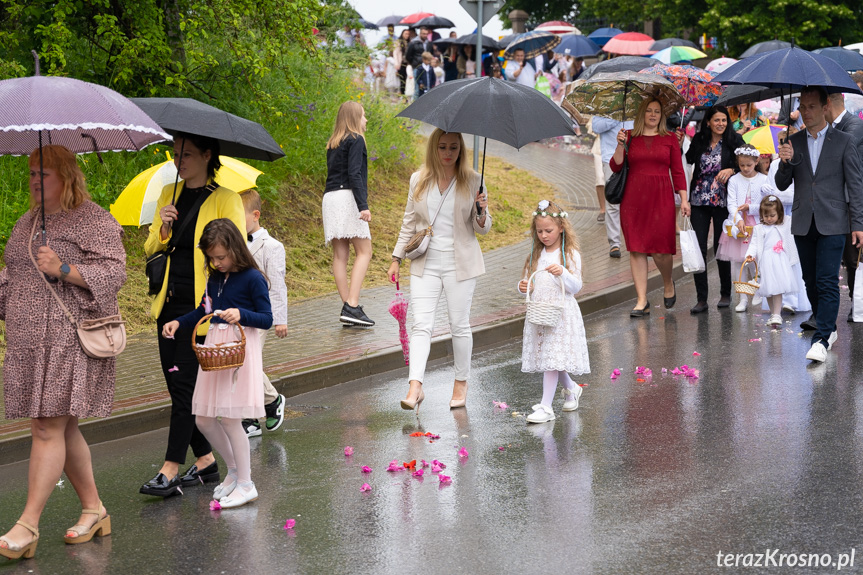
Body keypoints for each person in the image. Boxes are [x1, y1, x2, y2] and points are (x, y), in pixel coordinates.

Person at [0, 145, 125, 560]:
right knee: (63, 428)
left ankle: (27, 525)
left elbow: (115, 271)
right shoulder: (27, 223)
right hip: (29, 341)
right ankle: (94, 510)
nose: (35, 180)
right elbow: (12, 276)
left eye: (44, 174)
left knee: (45, 427)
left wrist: (64, 269)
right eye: (32, 173)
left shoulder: (93, 219)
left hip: (68, 341)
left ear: (67, 177)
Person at [141, 134, 247, 498]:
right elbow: (151, 247)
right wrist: (163, 227)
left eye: (186, 154)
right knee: (176, 386)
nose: (178, 161)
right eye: (175, 154)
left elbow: (234, 251)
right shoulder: (168, 198)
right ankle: (204, 458)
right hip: (167, 303)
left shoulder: (225, 199)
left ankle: (169, 468)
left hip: (201, 308)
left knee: (185, 386)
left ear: (207, 155)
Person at [162, 219, 273, 508]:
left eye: (221, 257)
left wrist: (241, 314)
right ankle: (235, 471)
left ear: (235, 249)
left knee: (232, 418)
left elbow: (266, 317)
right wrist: (178, 322)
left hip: (237, 351)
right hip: (214, 351)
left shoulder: (252, 278)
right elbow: (204, 310)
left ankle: (247, 484)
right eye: (212, 257)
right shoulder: (214, 279)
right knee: (204, 419)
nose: (217, 262)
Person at [388, 130, 491, 412]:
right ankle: (415, 386)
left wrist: (482, 210)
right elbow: (409, 222)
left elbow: (482, 228)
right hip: (425, 262)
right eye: (443, 147)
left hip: (461, 263)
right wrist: (396, 257)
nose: (448, 153)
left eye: (454, 147)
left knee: (459, 325)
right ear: (434, 149)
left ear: (461, 150)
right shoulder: (418, 180)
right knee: (421, 325)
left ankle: (461, 382)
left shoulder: (473, 180)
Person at [776, 86, 863, 362]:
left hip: (834, 221)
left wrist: (858, 223)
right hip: (803, 221)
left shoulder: (844, 141)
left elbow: (856, 184)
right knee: (810, 281)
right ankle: (828, 327)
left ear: (825, 107)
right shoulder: (795, 141)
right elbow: (781, 184)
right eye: (802, 106)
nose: (805, 111)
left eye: (811, 106)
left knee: (827, 281)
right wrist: (785, 162)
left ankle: (822, 338)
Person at [610, 98, 689, 317]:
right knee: (636, 249)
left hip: (661, 198)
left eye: (657, 111)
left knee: (660, 251)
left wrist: (683, 199)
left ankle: (667, 282)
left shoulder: (671, 138)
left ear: (662, 116)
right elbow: (615, 165)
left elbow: (678, 171)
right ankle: (641, 300)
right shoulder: (629, 136)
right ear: (642, 114)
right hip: (633, 200)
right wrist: (619, 143)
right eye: (649, 111)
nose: (653, 115)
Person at [517, 200, 589, 424]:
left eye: (548, 230)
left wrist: (563, 274)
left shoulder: (569, 254)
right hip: (541, 313)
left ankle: (546, 407)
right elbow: (532, 282)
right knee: (552, 357)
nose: (544, 235)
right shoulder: (535, 255)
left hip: (562, 314)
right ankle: (571, 388)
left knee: (552, 359)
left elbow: (576, 287)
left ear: (561, 227)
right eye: (539, 231)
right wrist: (523, 286)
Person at [685, 105, 746, 314]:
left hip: (723, 201)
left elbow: (749, 159)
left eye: (724, 120)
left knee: (722, 247)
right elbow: (689, 159)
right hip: (699, 200)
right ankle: (701, 298)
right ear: (708, 122)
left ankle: (725, 293)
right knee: (699, 247)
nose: (721, 124)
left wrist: (733, 169)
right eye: (716, 120)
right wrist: (678, 143)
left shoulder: (734, 140)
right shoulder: (700, 140)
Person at [238, 189, 288, 438]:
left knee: (246, 363)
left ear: (255, 215)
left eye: (240, 215)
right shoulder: (236, 244)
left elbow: (278, 285)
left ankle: (265, 406)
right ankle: (262, 409)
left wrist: (280, 320)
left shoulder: (272, 247)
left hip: (261, 314)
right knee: (241, 363)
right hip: (238, 313)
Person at [324, 101, 374, 326]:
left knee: (340, 256)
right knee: (365, 251)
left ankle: (348, 308)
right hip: (347, 198)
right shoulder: (356, 139)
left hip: (330, 198)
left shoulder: (332, 143)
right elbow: (354, 174)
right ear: (355, 118)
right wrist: (363, 205)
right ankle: (352, 304)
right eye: (363, 116)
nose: (366, 120)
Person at [717, 144, 768, 312]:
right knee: (738, 263)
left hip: (756, 224)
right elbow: (731, 203)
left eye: (749, 165)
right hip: (739, 225)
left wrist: (751, 208)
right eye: (742, 165)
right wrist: (737, 218)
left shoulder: (763, 179)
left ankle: (758, 289)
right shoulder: (734, 180)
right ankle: (742, 297)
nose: (745, 168)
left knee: (756, 259)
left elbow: (767, 202)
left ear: (756, 161)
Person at [826, 92, 863, 321]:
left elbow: (834, 154)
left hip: (853, 201)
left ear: (826, 104)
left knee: (853, 257)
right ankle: (854, 301)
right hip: (836, 200)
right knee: (845, 258)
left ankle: (856, 303)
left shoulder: (855, 125)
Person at [744, 196, 800, 326]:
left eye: (772, 215)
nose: (769, 219)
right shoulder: (759, 228)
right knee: (767, 289)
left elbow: (792, 220)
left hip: (779, 260)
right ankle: (772, 312)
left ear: (779, 214)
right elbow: (753, 244)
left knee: (777, 288)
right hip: (765, 261)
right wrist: (750, 255)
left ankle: (777, 314)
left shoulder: (785, 224)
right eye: (766, 216)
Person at [593, 115, 634, 257]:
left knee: (633, 201)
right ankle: (615, 244)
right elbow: (596, 127)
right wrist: (615, 118)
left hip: (634, 157)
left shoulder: (635, 107)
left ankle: (634, 240)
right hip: (610, 157)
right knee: (612, 201)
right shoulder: (605, 107)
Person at [396, 29, 411, 95]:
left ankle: (405, 93)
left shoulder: (409, 42)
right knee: (402, 79)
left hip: (407, 63)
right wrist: (397, 64)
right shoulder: (398, 42)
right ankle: (402, 93)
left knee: (407, 79)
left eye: (408, 34)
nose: (407, 35)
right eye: (406, 34)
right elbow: (396, 53)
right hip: (401, 63)